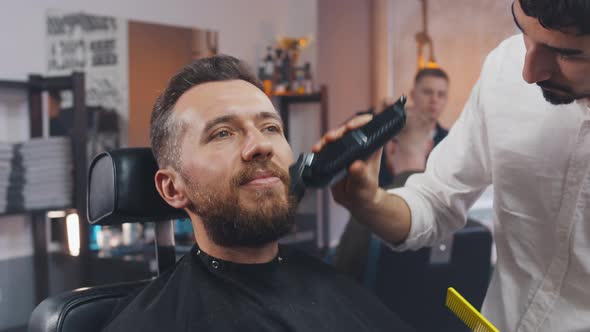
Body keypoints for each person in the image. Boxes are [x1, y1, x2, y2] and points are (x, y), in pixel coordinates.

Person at [314, 1, 590, 331]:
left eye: (567, 54)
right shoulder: (504, 68)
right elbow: (436, 201)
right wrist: (370, 202)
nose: (528, 73)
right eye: (522, 31)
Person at [101, 55, 413, 332]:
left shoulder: (334, 288)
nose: (260, 145)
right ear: (172, 188)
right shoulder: (149, 323)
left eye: (270, 128)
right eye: (222, 133)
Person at [379, 67, 450, 186]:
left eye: (441, 95)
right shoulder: (388, 134)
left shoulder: (450, 142)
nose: (434, 100)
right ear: (412, 94)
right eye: (428, 92)